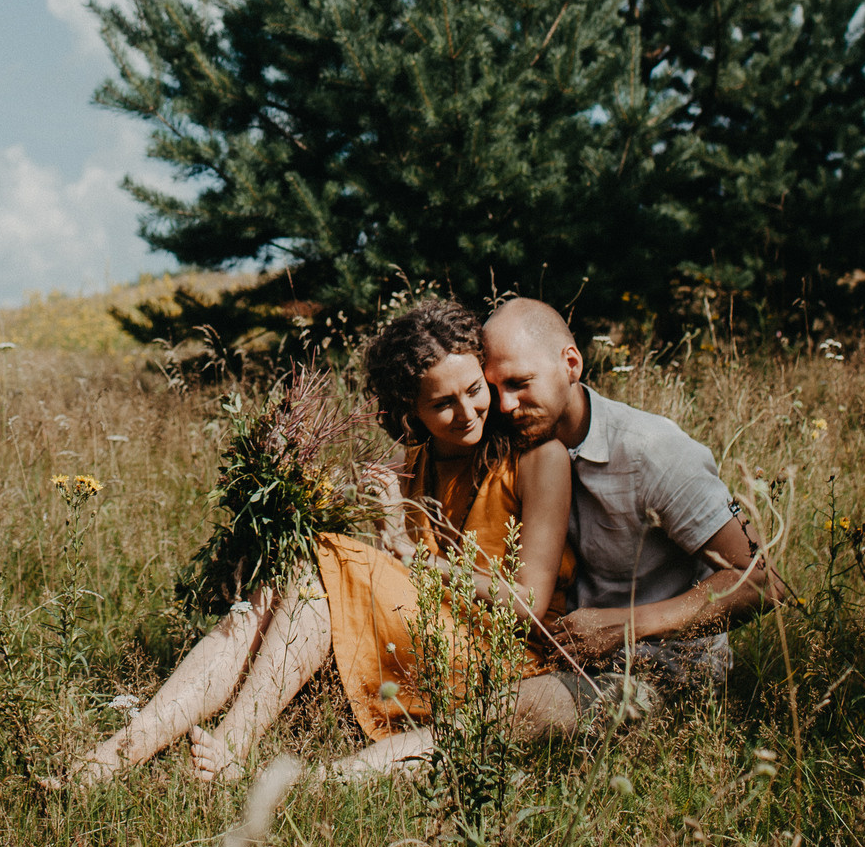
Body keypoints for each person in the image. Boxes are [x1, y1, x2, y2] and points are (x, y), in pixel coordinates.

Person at [65, 297, 573, 786]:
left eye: (473, 389)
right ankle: (121, 751)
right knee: (280, 588)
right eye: (442, 403)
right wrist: (381, 529)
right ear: (411, 410)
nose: (467, 411)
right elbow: (401, 580)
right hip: (429, 636)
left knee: (326, 558)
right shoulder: (410, 465)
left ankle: (233, 740)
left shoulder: (538, 459)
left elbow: (527, 604)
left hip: (502, 654)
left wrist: (405, 553)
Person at [486, 296, 785, 733]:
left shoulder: (652, 451)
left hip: (665, 669)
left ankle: (356, 777)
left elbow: (761, 582)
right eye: (493, 389)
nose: (505, 405)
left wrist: (624, 626)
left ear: (571, 364)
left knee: (513, 710)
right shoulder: (515, 443)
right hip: (565, 656)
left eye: (519, 383)